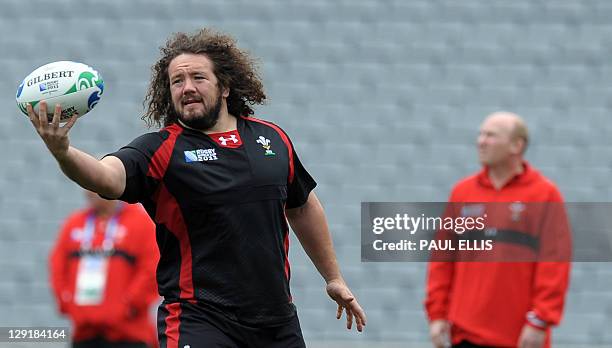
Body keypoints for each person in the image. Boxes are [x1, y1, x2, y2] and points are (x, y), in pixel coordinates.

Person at [30, 28, 365, 347]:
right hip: (199, 320)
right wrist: (63, 153)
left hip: (276, 321)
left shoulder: (272, 139)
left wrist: (333, 277)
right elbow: (106, 177)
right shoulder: (160, 149)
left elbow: (303, 206)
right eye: (177, 80)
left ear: (225, 87)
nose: (186, 87)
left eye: (198, 77)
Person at [425, 112, 571, 348]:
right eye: (480, 134)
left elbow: (554, 264)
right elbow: (442, 258)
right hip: (464, 335)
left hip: (520, 338)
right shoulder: (462, 193)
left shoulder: (545, 195)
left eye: (491, 135)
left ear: (517, 145)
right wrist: (437, 313)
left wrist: (539, 321)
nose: (481, 141)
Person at [49, 190, 159, 348]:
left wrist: (128, 305)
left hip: (128, 335)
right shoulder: (74, 223)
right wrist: (68, 303)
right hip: (85, 334)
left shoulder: (140, 223)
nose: (89, 191)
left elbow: (151, 270)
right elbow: (57, 267)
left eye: (94, 184)